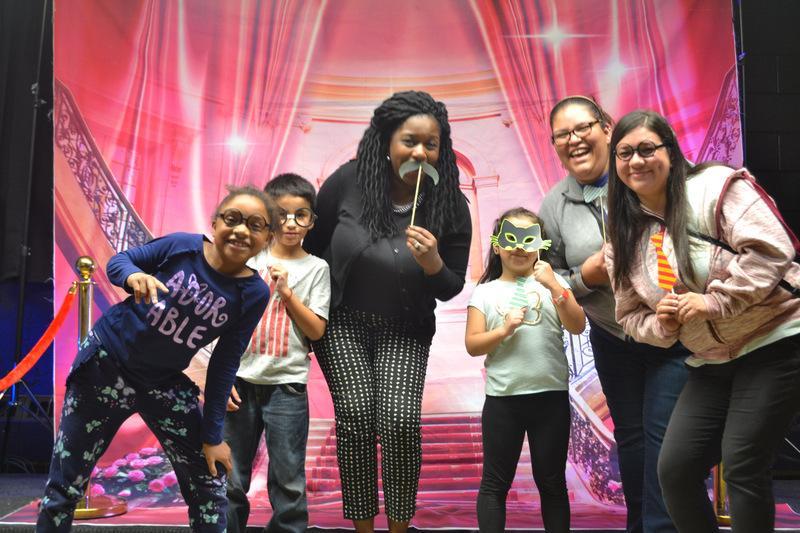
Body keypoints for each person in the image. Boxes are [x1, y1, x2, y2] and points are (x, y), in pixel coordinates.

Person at [604, 109, 800, 532]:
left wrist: (714, 302)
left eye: (647, 149)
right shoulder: (621, 232)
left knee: (742, 463)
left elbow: (772, 249)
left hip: (774, 339)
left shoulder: (716, 186)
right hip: (711, 359)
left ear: (671, 151)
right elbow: (629, 315)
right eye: (624, 153)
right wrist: (663, 325)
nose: (636, 161)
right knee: (675, 470)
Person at [36, 186, 273, 533]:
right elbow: (119, 261)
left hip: (162, 382)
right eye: (233, 219)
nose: (241, 230)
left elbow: (226, 361)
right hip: (105, 366)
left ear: (266, 238)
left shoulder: (254, 293)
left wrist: (212, 437)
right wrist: (133, 276)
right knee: (64, 487)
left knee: (209, 482)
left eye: (255, 225)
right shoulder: (183, 246)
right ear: (215, 222)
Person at [303, 90, 472, 533]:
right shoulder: (347, 182)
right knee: (356, 416)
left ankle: (398, 527)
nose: (420, 152)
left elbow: (451, 286)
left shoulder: (450, 203)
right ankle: (363, 528)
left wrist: (432, 263)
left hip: (406, 326)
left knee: (398, 421)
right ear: (386, 142)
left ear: (440, 150)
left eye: (430, 144)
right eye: (409, 141)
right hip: (342, 322)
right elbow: (312, 250)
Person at [538, 95, 685, 533]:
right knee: (632, 438)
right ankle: (641, 525)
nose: (574, 139)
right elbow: (549, 277)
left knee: (664, 436)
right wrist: (586, 276)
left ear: (606, 128)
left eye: (583, 127)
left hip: (671, 333)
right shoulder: (553, 206)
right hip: (613, 337)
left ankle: (664, 526)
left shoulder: (644, 175)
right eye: (562, 134)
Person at [465, 207, 585, 533]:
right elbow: (473, 344)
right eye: (511, 238)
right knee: (495, 483)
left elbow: (577, 325)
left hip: (551, 400)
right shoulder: (485, 292)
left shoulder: (554, 284)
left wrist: (555, 286)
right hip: (503, 401)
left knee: (552, 482)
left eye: (528, 239)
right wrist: (503, 330)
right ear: (497, 245)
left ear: (541, 245)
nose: (519, 246)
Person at [223, 173, 331, 533]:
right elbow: (224, 320)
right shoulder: (249, 259)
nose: (291, 223)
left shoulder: (316, 268)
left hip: (287, 386)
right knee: (229, 477)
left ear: (312, 220)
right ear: (268, 217)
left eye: (301, 215)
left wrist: (287, 293)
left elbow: (316, 330)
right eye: (282, 214)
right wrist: (219, 376)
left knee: (288, 479)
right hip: (238, 382)